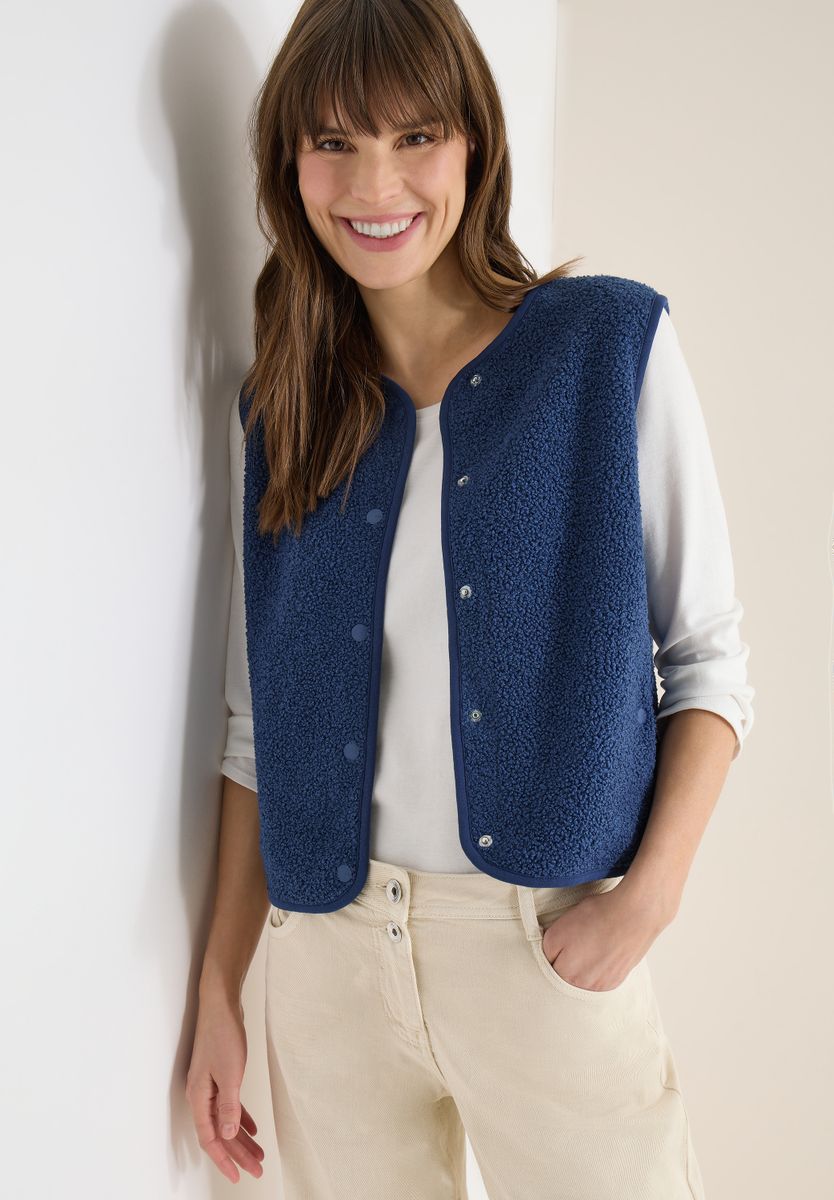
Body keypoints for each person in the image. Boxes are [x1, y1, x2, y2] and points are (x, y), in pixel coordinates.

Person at [186, 1, 754, 1196]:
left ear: (475, 147)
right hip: (328, 965)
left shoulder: (604, 346)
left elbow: (708, 663)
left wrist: (643, 905)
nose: (373, 184)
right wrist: (221, 993)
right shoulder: (285, 410)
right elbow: (253, 735)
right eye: (332, 142)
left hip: (542, 946)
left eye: (415, 137)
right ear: (288, 165)